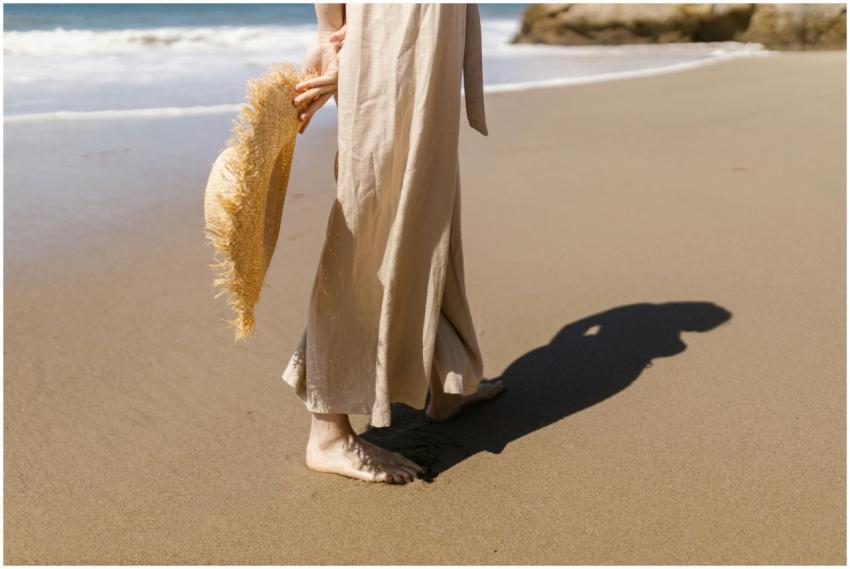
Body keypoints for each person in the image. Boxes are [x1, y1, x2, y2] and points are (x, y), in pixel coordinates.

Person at [286, 3, 503, 484]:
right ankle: (328, 430)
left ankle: (450, 376)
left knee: (431, 205)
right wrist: (329, 33)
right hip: (392, 27)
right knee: (375, 216)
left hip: (433, 29)